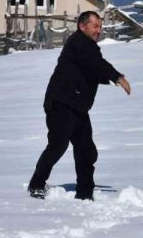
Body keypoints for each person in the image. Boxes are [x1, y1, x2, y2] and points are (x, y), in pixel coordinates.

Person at [28, 11, 131, 201]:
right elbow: (96, 64)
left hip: (77, 106)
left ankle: (85, 194)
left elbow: (91, 69)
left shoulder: (87, 46)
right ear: (82, 26)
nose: (98, 31)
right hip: (61, 103)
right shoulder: (80, 43)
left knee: (86, 150)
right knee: (58, 145)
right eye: (95, 26)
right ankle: (36, 185)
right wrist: (117, 76)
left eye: (100, 27)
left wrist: (110, 80)